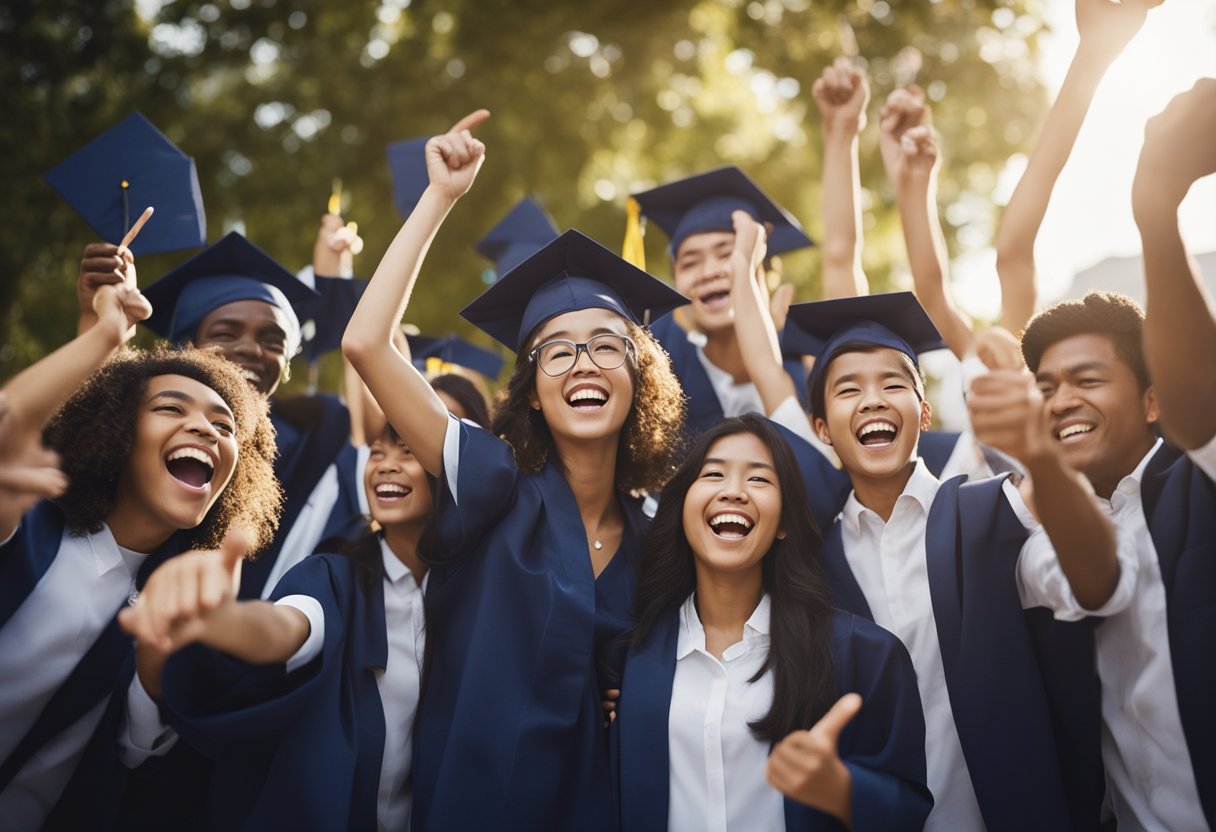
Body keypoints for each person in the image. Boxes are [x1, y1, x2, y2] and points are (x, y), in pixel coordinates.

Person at [342, 110, 686, 830]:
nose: (583, 361)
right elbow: (367, 344)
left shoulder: (657, 536)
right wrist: (440, 197)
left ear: (640, 376)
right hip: (472, 805)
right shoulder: (492, 483)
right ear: (531, 389)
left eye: (606, 345)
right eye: (556, 351)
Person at [786, 287, 1129, 831]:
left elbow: (1082, 553)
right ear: (822, 428)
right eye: (848, 389)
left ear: (924, 414)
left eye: (893, 383)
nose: (873, 399)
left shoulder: (991, 511)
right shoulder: (811, 565)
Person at [991, 80, 1216, 829]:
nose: (1060, 401)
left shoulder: (1200, 483)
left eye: (1089, 380)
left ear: (1154, 400)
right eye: (1046, 385)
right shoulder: (1037, 527)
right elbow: (1095, 582)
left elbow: (1201, 410)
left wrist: (1156, 212)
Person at [0, 262, 279, 829]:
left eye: (224, 426)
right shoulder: (27, 526)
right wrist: (104, 334)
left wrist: (159, 656)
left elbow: (134, 754)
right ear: (117, 436)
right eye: (171, 409)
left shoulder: (172, 603)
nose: (205, 429)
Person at [614, 415, 932, 831]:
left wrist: (841, 788)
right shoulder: (631, 662)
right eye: (713, 475)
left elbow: (908, 812)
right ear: (681, 509)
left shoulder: (863, 656)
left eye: (760, 480)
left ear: (784, 523)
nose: (733, 492)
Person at [118, 422, 433, 831]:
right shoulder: (338, 575)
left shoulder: (475, 597)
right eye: (376, 452)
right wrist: (225, 620)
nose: (385, 465)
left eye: (408, 452)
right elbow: (289, 625)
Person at [133, 231, 363, 599]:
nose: (252, 349)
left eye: (273, 342)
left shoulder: (304, 437)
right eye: (227, 333)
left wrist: (335, 278)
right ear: (185, 345)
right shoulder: (131, 424)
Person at [628, 166, 812, 437]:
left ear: (759, 264)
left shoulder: (803, 363)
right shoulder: (657, 362)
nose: (708, 271)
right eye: (690, 262)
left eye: (727, 253)